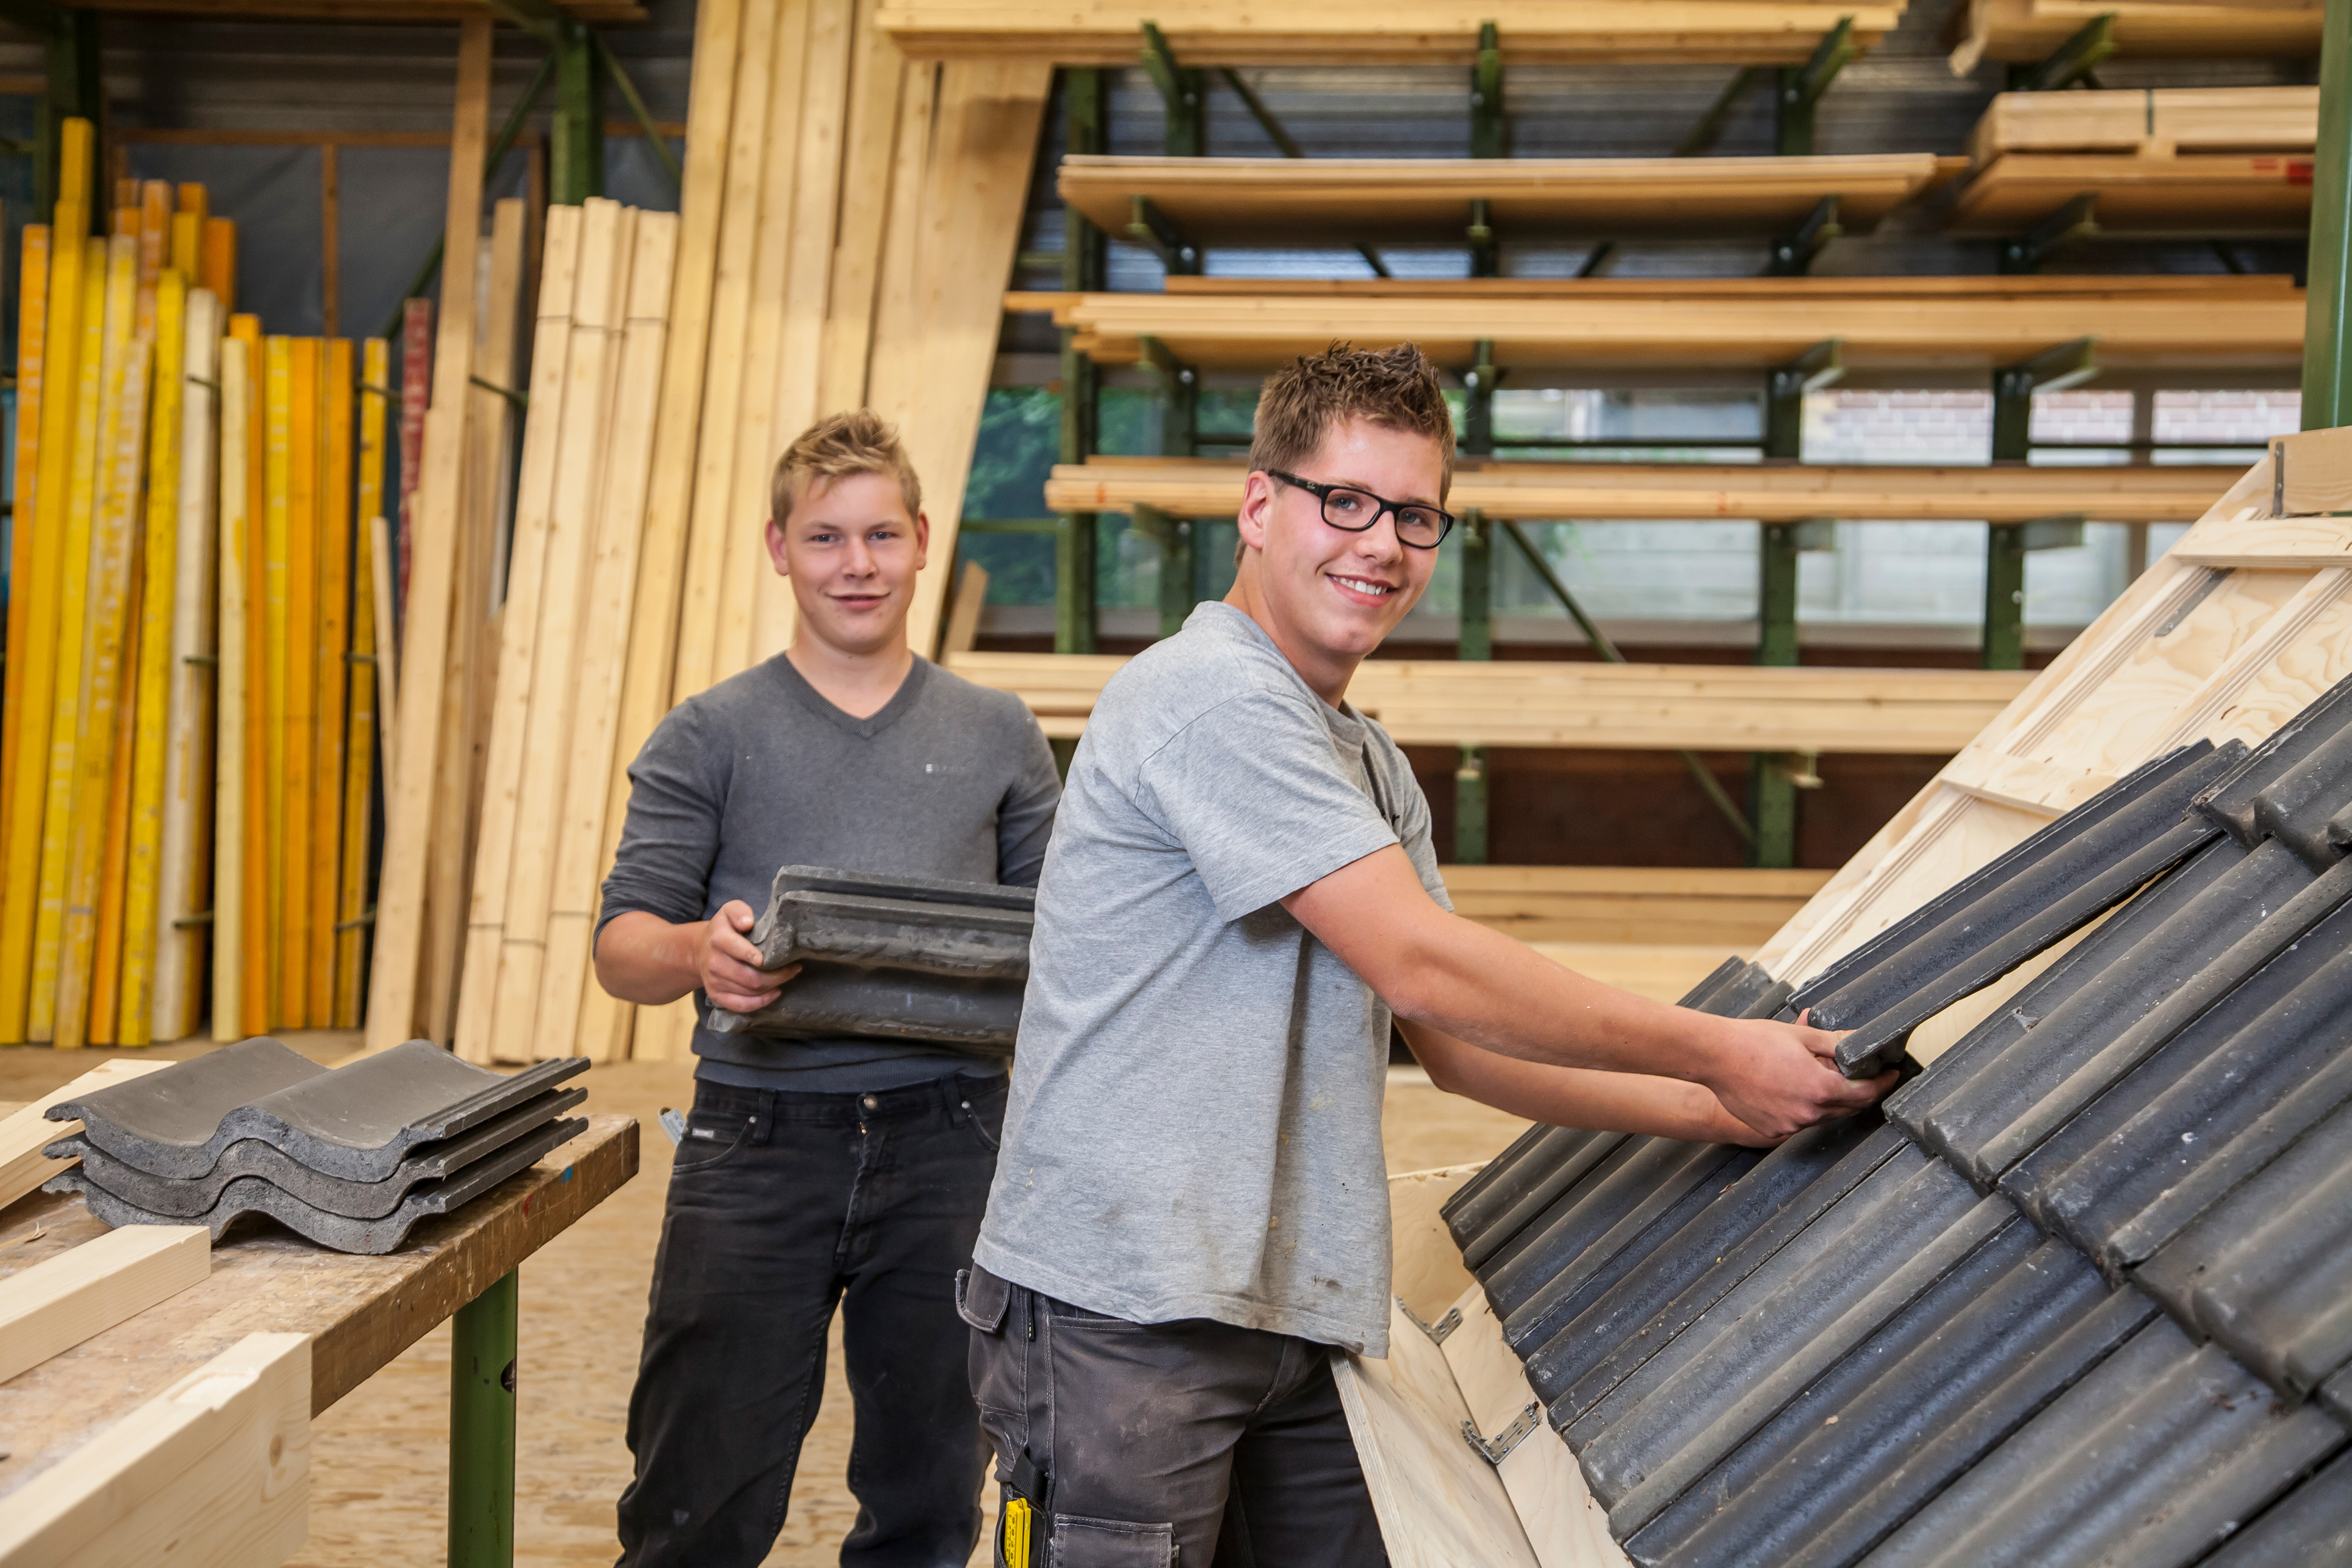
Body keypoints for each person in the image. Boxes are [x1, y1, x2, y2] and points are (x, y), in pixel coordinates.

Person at [962, 344, 1893, 1566]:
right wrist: (1722, 1044)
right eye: (1343, 501)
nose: (1380, 543)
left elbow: (1457, 1050)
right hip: (1120, 1317)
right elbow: (1425, 967)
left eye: (1414, 515)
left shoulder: (1366, 758)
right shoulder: (1209, 699)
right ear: (1258, 506)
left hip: (1285, 1313)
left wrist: (1725, 1105)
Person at [596, 410, 1060, 1568]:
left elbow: (1063, 940)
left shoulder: (1000, 732)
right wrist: (699, 950)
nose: (857, 564)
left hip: (953, 1133)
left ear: (922, 541)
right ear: (777, 547)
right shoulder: (711, 732)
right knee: (697, 1488)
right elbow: (620, 943)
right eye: (825, 538)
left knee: (927, 1492)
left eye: (881, 536)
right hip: (755, 1137)